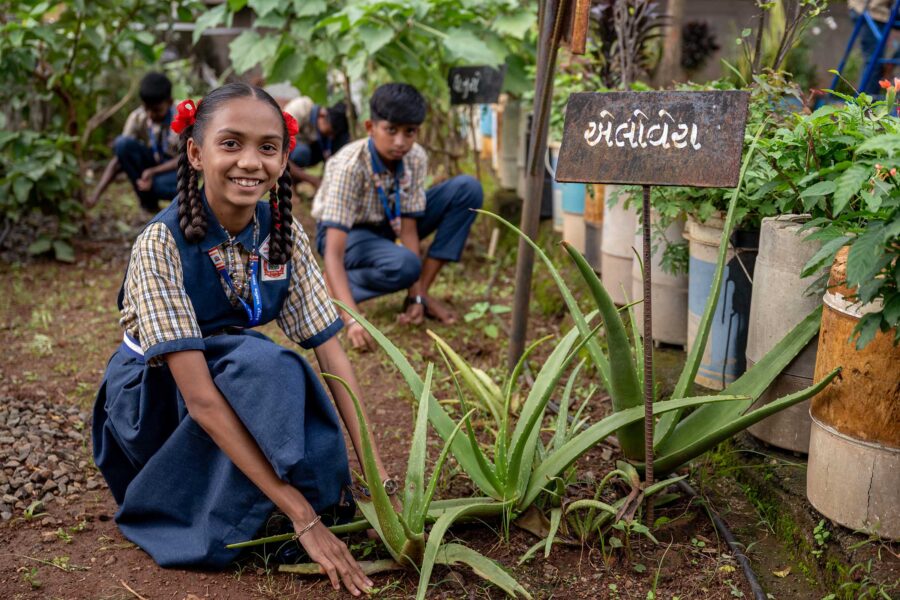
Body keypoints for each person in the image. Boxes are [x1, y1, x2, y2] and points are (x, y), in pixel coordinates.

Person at [91, 83, 390, 596]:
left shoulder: (282, 233)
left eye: (267, 147)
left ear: (283, 157)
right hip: (157, 399)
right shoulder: (161, 244)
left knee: (275, 367)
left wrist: (378, 478)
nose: (250, 162)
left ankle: (284, 500)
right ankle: (242, 509)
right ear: (195, 152)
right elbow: (201, 398)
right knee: (266, 364)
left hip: (229, 368)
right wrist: (302, 516)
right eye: (230, 143)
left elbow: (332, 356)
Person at [312, 83, 483, 350]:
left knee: (467, 190)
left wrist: (415, 296)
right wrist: (352, 319)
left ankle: (420, 296)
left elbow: (408, 228)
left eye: (409, 132)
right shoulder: (350, 166)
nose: (400, 142)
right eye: (390, 130)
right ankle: (329, 290)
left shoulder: (414, 157)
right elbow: (332, 251)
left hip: (388, 225)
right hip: (348, 235)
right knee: (404, 264)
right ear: (370, 127)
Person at [88, 72, 180, 213]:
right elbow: (119, 158)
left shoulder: (183, 115)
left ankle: (183, 205)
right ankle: (149, 204)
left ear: (170, 102)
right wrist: (96, 194)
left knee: (158, 184)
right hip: (154, 162)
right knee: (122, 144)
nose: (150, 114)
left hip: (178, 168)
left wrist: (153, 172)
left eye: (156, 110)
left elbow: (187, 158)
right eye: (146, 109)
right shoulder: (137, 117)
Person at [283, 96, 351, 189]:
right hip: (291, 152)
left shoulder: (336, 130)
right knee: (301, 153)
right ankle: (289, 186)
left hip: (310, 149)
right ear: (322, 116)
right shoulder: (298, 109)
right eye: (329, 132)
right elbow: (279, 156)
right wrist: (312, 180)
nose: (331, 136)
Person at [848, 0, 900, 94]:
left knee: (874, 61)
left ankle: (891, 65)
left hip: (882, 9)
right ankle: (867, 104)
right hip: (869, 10)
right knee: (873, 61)